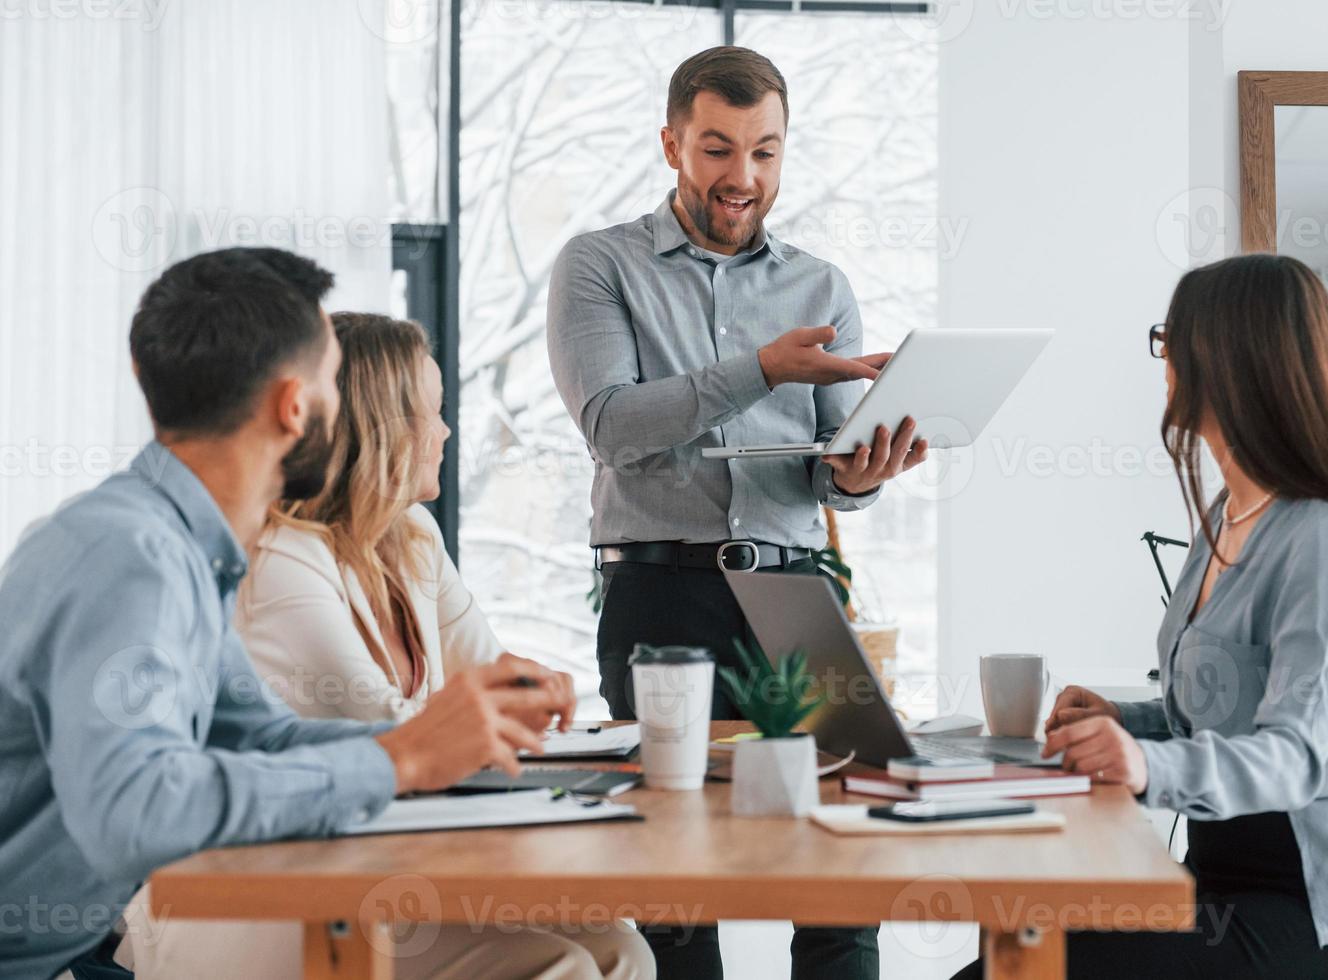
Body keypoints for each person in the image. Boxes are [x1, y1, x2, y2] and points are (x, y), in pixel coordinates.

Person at [0, 248, 576, 980]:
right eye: (336, 381)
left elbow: (259, 737)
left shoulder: (176, 544)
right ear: (294, 407)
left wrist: (433, 739)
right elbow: (134, 812)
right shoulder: (132, 557)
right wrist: (398, 760)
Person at [118, 312, 656, 979]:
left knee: (618, 946)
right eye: (430, 413)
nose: (444, 433)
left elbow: (489, 688)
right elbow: (398, 740)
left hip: (373, 865)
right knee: (564, 967)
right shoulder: (280, 557)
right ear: (379, 430)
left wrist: (524, 693)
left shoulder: (412, 537)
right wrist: (488, 713)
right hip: (260, 891)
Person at [955, 253, 1328, 979]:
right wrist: (1128, 722)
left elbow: (1296, 755)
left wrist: (1143, 765)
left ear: (1234, 357)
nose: (1164, 361)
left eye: (1172, 338)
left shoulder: (1321, 535)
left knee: (1021, 967)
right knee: (1020, 931)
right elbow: (1232, 707)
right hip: (1218, 882)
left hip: (1311, 910)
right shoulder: (1227, 512)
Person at [546, 46, 927, 980]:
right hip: (659, 600)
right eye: (717, 149)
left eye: (765, 151)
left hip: (797, 594)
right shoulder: (599, 266)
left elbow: (829, 475)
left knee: (844, 866)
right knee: (677, 886)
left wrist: (868, 469)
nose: (741, 177)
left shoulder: (819, 286)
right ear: (672, 142)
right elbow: (612, 425)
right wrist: (760, 369)